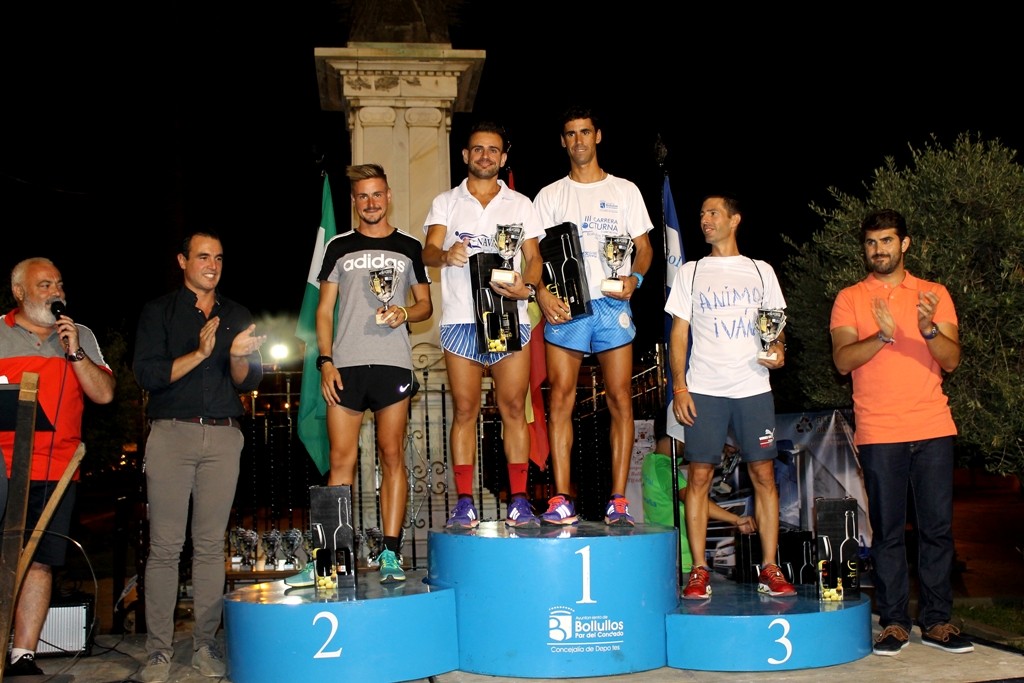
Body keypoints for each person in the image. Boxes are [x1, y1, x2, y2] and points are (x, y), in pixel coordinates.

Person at [830, 208, 972, 656]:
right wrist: (883, 336)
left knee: (936, 530)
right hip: (879, 430)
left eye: (887, 241)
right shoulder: (850, 298)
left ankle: (937, 621)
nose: (879, 250)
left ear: (904, 244)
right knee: (888, 533)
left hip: (931, 425)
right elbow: (842, 361)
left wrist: (927, 328)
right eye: (872, 243)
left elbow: (951, 360)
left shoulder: (933, 294)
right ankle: (894, 623)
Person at [132, 232, 266, 682]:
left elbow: (247, 383)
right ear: (182, 261)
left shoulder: (238, 313)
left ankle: (206, 645)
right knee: (166, 548)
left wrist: (235, 358)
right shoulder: (158, 312)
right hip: (172, 436)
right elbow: (148, 374)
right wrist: (201, 353)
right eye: (203, 256)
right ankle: (158, 652)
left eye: (219, 257)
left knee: (211, 547)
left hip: (225, 437)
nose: (212, 264)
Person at [665, 193, 796, 600]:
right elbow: (679, 333)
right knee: (699, 477)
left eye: (713, 212)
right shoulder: (691, 271)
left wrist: (779, 351)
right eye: (702, 213)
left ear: (734, 219)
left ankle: (770, 567)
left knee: (763, 477)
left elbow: (775, 329)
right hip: (704, 389)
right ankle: (699, 570)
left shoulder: (760, 271)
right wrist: (680, 387)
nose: (705, 219)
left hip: (753, 388)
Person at [532, 105, 654, 526]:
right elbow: (533, 257)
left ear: (597, 136)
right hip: (567, 306)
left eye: (585, 132)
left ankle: (618, 500)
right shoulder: (549, 196)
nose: (579, 140)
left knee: (621, 397)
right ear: (562, 141)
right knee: (561, 398)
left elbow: (645, 247)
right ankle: (561, 497)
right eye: (571, 134)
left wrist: (635, 278)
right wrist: (542, 293)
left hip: (612, 303)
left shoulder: (625, 190)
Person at [423, 121, 544, 529]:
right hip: (461, 319)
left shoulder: (521, 204)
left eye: (493, 150)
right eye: (478, 149)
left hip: (508, 316)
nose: (485, 156)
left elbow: (535, 258)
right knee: (465, 410)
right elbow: (428, 250)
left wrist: (527, 285)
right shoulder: (446, 201)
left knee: (512, 407)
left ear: (503, 157)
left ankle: (521, 500)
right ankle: (463, 503)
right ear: (466, 156)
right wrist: (445, 256)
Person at [314, 163, 431, 578]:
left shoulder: (410, 245)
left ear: (388, 195)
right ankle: (329, 561)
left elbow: (425, 306)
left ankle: (391, 553)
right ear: (354, 201)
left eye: (376, 194)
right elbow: (324, 311)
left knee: (391, 455)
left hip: (392, 364)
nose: (370, 202)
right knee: (341, 462)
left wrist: (403, 311)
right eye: (362, 196)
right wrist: (325, 362)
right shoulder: (338, 247)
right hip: (344, 366)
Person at [0, 257, 116, 677]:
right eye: (44, 284)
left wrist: (75, 353)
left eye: (59, 284)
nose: (55, 292)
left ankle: (22, 655)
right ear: (20, 293)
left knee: (41, 561)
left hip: (58, 471)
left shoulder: (79, 335)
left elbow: (104, 395)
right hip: (3, 468)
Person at [641, 426, 756, 573]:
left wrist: (721, 448)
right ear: (677, 434)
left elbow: (690, 459)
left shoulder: (650, 461)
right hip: (682, 562)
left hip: (665, 555)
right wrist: (736, 519)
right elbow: (693, 501)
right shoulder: (666, 470)